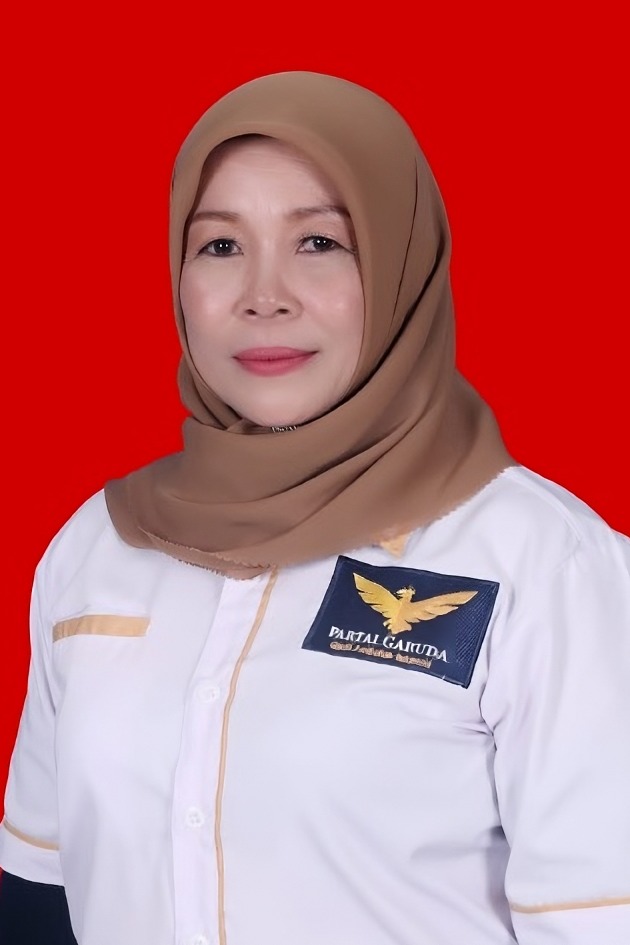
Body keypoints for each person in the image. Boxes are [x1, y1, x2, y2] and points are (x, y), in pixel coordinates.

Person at [0, 71, 628, 945]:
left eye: (321, 242)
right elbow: (38, 895)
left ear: (402, 263)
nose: (265, 295)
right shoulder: (99, 548)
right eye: (221, 245)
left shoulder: (545, 565)